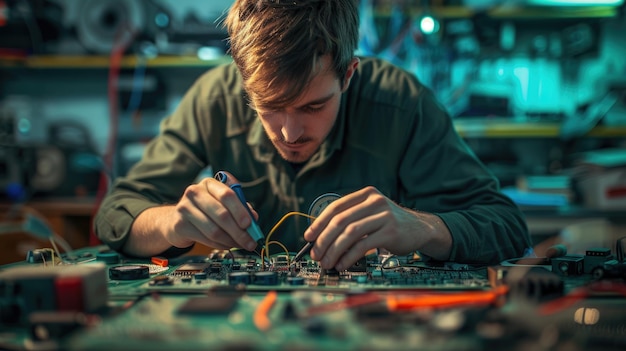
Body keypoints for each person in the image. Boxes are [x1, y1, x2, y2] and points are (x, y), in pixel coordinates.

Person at [94, 0, 532, 270]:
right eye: (268, 107)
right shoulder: (213, 99)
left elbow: (508, 227)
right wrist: (172, 222)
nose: (289, 132)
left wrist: (423, 227)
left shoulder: (401, 103)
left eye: (312, 106)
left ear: (348, 75)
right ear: (244, 82)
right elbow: (116, 214)